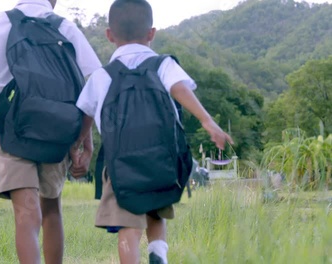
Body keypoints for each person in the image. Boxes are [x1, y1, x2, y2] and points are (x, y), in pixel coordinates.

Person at [73, 0, 234, 263]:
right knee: (156, 213)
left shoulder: (102, 76)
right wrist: (207, 121)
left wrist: (80, 147)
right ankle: (158, 253)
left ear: (109, 35)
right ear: (151, 33)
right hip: (161, 160)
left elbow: (86, 116)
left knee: (129, 227)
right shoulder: (162, 65)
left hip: (120, 165)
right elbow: (180, 89)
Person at [0, 0, 101, 263]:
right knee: (51, 209)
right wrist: (84, 141)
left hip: (13, 131)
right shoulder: (65, 27)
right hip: (58, 130)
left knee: (26, 214)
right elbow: (92, 84)